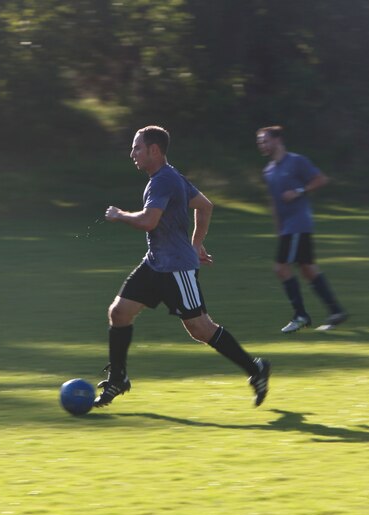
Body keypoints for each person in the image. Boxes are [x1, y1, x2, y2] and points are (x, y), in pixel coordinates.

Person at [93, 125, 270, 409]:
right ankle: (118, 378)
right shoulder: (169, 176)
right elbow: (205, 205)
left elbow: (149, 221)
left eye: (137, 148)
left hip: (176, 269)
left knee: (200, 328)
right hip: (155, 263)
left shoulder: (164, 180)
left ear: (154, 150)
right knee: (119, 312)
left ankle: (255, 368)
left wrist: (119, 215)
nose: (132, 153)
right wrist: (196, 244)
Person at [256, 126, 348, 333]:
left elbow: (321, 179)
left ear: (277, 141)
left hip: (298, 224)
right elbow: (274, 201)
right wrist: (277, 226)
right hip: (287, 228)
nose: (262, 145)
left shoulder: (296, 161)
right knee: (307, 269)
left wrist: (299, 191)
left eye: (265, 140)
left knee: (281, 268)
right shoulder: (268, 170)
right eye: (260, 142)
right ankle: (336, 311)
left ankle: (300, 315)